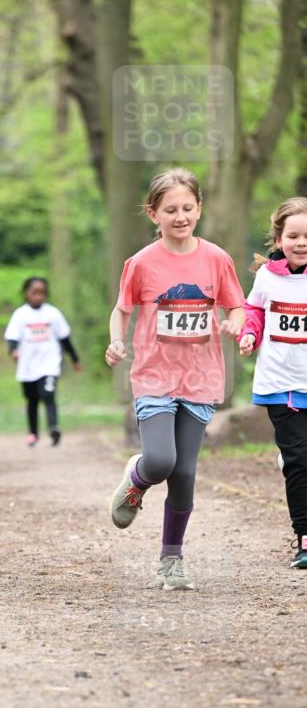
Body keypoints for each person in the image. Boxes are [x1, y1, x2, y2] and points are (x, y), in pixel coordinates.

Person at [105, 169, 245, 590]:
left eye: (187, 208)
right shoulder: (142, 263)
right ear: (154, 214)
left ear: (199, 209)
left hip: (201, 377)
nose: (180, 216)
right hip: (154, 375)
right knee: (161, 461)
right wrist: (116, 341)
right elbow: (122, 310)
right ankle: (137, 478)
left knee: (184, 474)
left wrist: (235, 324)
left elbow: (236, 305)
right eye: (170, 210)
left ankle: (171, 559)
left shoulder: (216, 258)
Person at [238, 196, 307, 569]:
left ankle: (293, 456)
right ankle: (305, 538)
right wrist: (249, 333)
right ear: (279, 239)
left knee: (301, 458)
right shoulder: (266, 276)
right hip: (282, 384)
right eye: (294, 236)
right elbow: (253, 308)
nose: (301, 243)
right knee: (300, 462)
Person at [4, 276, 81, 447]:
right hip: (28, 366)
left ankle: (53, 428)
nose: (39, 296)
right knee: (32, 400)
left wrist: (74, 359)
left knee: (48, 395)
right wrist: (13, 351)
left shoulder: (53, 314)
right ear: (26, 293)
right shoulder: (20, 315)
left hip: (49, 363)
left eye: (42, 293)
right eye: (35, 292)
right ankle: (33, 433)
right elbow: (12, 337)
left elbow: (65, 338)